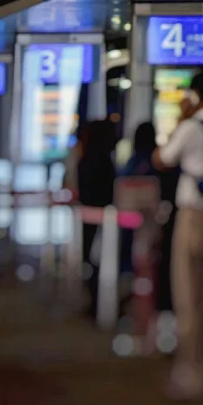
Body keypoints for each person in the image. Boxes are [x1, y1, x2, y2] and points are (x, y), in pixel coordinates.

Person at [153, 67, 203, 399]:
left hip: (192, 215)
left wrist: (181, 120)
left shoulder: (192, 127)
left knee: (188, 293)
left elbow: (162, 159)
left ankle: (193, 369)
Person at [72, 120, 118, 318]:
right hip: (103, 221)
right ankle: (100, 307)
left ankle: (96, 306)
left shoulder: (85, 161)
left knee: (92, 263)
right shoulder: (104, 163)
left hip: (90, 221)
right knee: (99, 263)